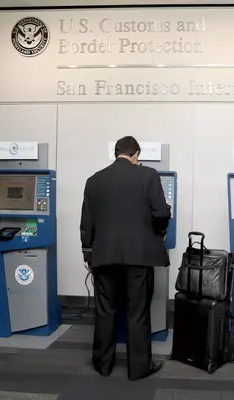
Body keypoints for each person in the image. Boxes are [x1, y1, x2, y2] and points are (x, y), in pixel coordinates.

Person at [80, 136, 171, 381]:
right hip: (138, 257)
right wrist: (160, 232)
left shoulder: (94, 180)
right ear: (135, 154)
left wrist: (88, 251)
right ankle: (139, 368)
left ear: (116, 153)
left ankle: (103, 365)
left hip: (104, 255)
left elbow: (86, 223)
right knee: (137, 312)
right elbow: (161, 212)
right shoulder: (148, 175)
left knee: (106, 310)